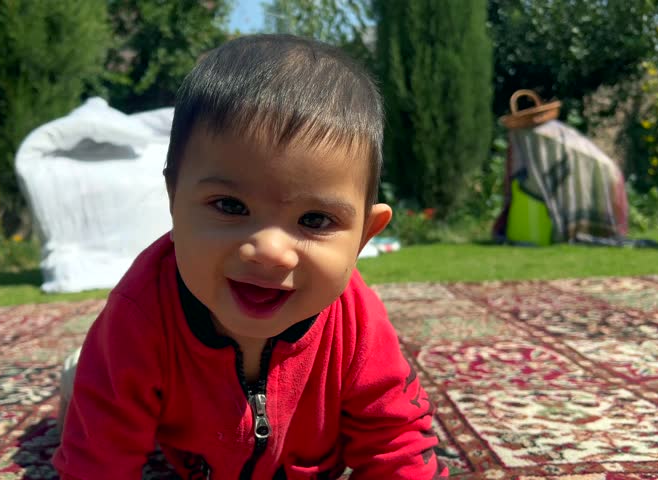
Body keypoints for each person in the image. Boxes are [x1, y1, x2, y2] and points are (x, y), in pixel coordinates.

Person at [53, 34, 448, 480]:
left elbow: (398, 442)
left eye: (315, 220)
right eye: (230, 206)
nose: (270, 252)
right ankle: (77, 372)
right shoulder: (140, 313)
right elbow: (98, 461)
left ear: (363, 236)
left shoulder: (356, 323)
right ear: (174, 200)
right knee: (92, 386)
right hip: (176, 435)